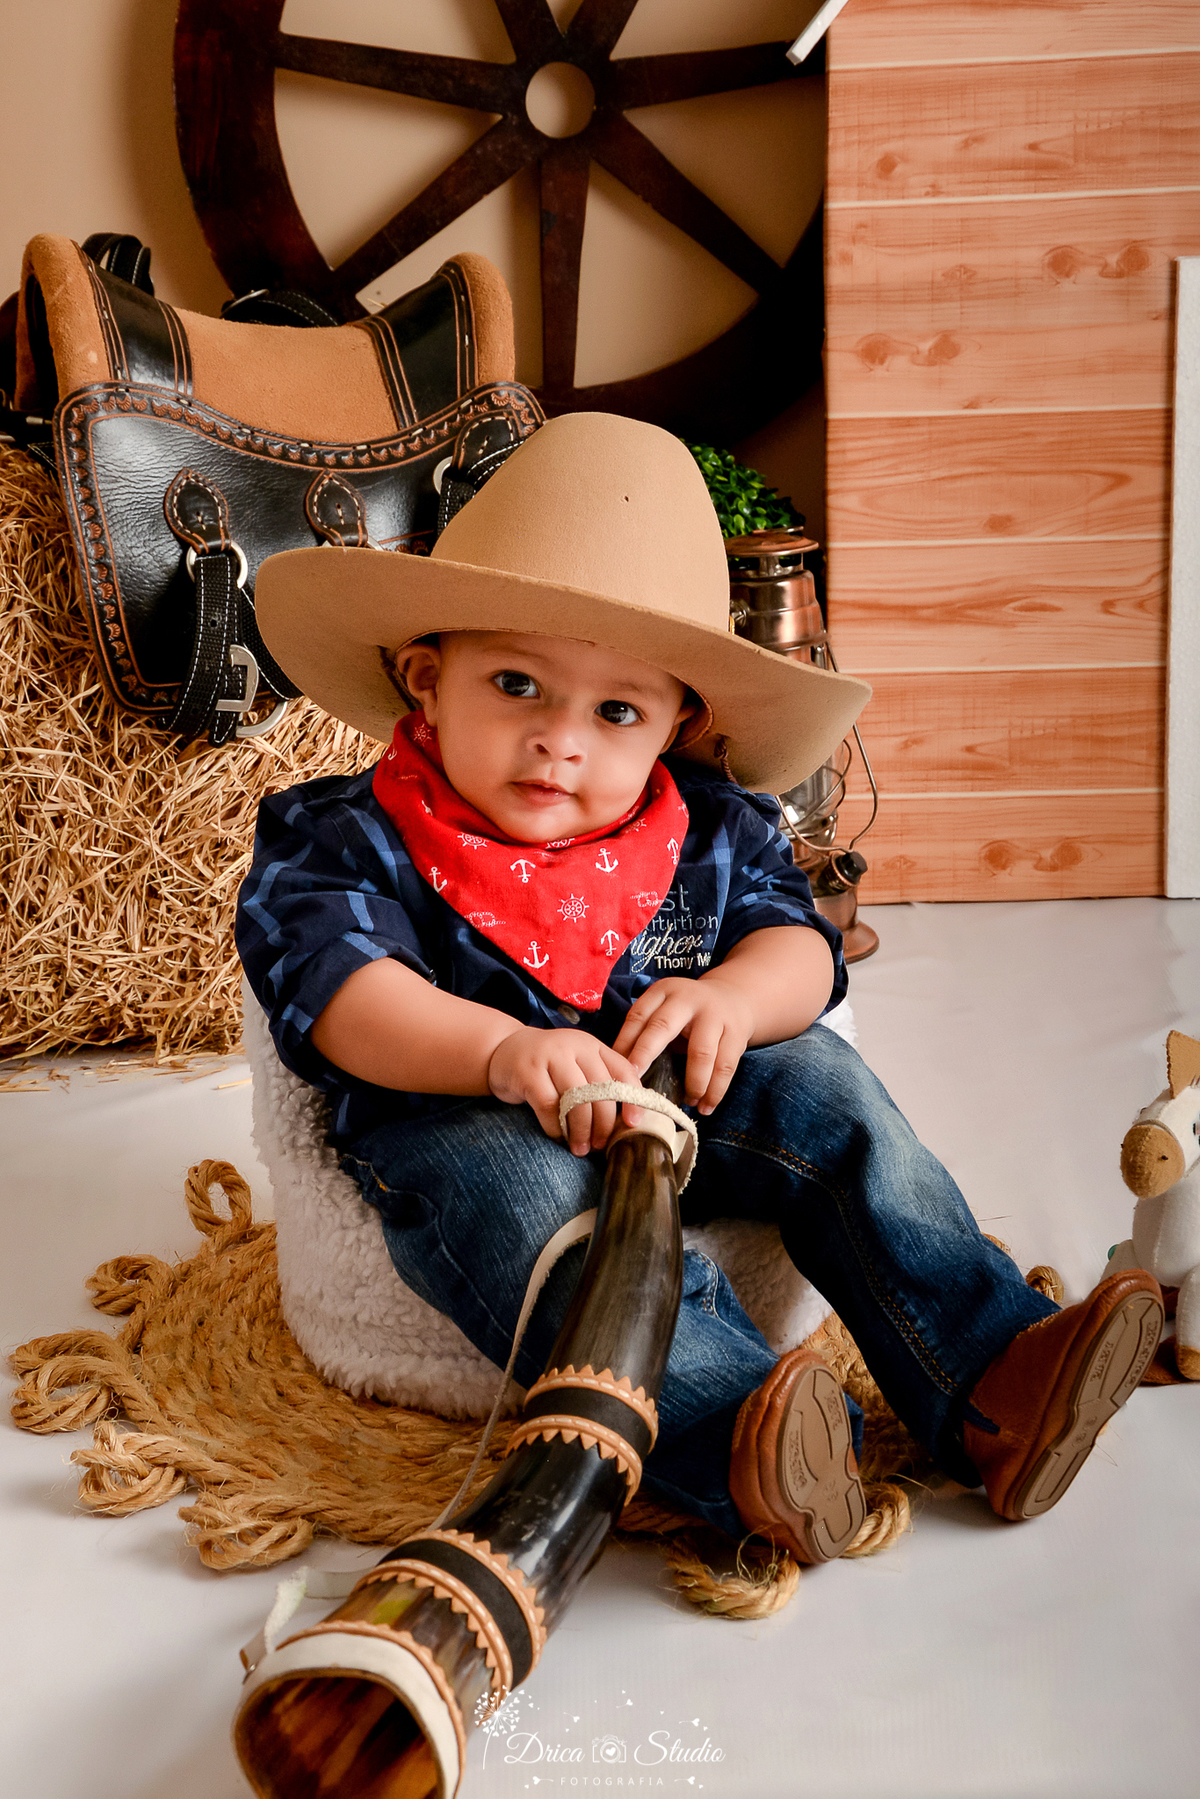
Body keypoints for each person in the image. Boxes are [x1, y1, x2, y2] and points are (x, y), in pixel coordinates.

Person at [237, 413, 1163, 1564]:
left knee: (830, 1091)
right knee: (544, 1228)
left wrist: (733, 995)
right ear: (426, 681)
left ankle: (991, 1376)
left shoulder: (711, 827)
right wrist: (491, 1049)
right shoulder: (347, 833)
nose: (559, 743)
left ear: (680, 721)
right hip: (463, 1113)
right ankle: (740, 1440)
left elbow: (803, 948)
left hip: (683, 1078)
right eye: (515, 683)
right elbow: (334, 986)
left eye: (615, 710)